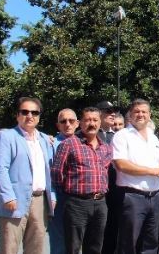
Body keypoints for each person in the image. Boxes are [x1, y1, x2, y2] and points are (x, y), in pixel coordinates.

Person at [0, 97, 56, 254]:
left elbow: (50, 170)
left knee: (36, 248)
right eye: (25, 112)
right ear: (17, 115)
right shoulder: (7, 136)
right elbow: (0, 168)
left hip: (40, 202)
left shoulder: (44, 139)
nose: (30, 116)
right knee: (10, 247)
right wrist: (8, 196)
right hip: (15, 201)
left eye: (34, 112)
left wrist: (52, 196)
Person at [111, 99, 159, 254]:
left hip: (154, 196)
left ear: (149, 115)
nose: (140, 114)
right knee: (128, 243)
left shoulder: (154, 137)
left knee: (151, 243)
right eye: (137, 111)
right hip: (132, 197)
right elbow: (121, 165)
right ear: (130, 115)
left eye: (144, 111)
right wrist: (151, 171)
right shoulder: (122, 136)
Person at [51, 106, 113, 254]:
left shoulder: (105, 147)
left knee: (95, 246)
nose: (91, 123)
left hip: (100, 203)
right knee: (73, 247)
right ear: (80, 123)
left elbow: (105, 171)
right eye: (87, 120)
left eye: (95, 120)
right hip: (76, 204)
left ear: (100, 122)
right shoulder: (69, 144)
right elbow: (57, 174)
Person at [50, 108, 78, 254]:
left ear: (77, 123)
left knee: (75, 242)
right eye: (63, 121)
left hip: (78, 201)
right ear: (58, 125)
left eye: (71, 120)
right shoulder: (51, 144)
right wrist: (53, 197)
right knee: (59, 242)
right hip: (59, 199)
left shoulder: (83, 143)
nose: (68, 124)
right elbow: (49, 173)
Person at [96, 101, 121, 254]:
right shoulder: (89, 134)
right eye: (108, 111)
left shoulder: (118, 136)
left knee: (113, 230)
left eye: (114, 111)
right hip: (97, 192)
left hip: (115, 190)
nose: (113, 114)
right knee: (96, 235)